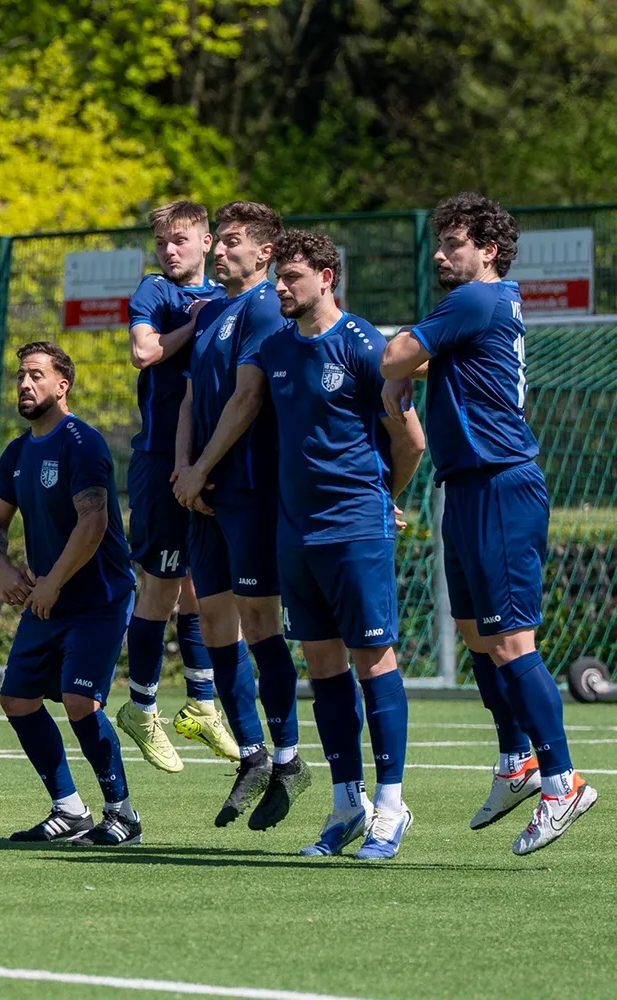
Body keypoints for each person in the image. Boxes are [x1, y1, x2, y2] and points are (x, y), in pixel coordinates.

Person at [381, 192, 596, 855]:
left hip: (500, 486)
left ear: (489, 251)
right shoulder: (482, 308)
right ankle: (516, 763)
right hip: (468, 486)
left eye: (454, 243)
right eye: (440, 241)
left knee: (512, 645)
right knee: (477, 635)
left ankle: (563, 783)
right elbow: (419, 360)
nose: (442, 253)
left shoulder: (474, 300)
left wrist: (389, 374)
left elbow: (393, 357)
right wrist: (404, 373)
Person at [264, 230, 426, 859]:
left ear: (326, 277)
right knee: (324, 668)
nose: (282, 285)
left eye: (293, 275)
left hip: (356, 526)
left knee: (372, 662)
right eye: (279, 274)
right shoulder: (277, 348)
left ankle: (391, 805)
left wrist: (384, 494)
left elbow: (410, 440)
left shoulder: (363, 345)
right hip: (295, 531)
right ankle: (345, 803)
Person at [173, 200, 309, 830]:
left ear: (263, 253)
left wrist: (204, 468)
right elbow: (193, 396)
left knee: (259, 622)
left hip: (248, 490)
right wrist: (184, 468)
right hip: (203, 492)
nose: (218, 251)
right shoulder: (210, 312)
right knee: (212, 621)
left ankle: (288, 756)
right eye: (218, 241)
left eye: (230, 242)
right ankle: (251, 752)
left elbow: (249, 398)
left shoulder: (262, 307)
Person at [0, 342, 140, 843]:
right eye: (20, 377)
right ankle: (70, 810)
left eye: (36, 376)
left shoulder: (82, 443)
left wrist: (51, 581)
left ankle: (123, 815)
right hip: (47, 601)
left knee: (79, 702)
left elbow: (93, 522)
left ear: (61, 385)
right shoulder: (16, 451)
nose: (25, 385)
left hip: (99, 598)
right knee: (17, 700)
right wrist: (3, 568)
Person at [117, 200, 236, 773]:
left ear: (208, 242)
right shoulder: (156, 292)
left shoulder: (231, 295)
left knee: (202, 588)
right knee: (162, 588)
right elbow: (144, 352)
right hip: (162, 459)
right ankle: (141, 708)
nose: (170, 250)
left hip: (210, 460)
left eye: (180, 239)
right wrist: (202, 320)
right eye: (163, 241)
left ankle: (203, 704)